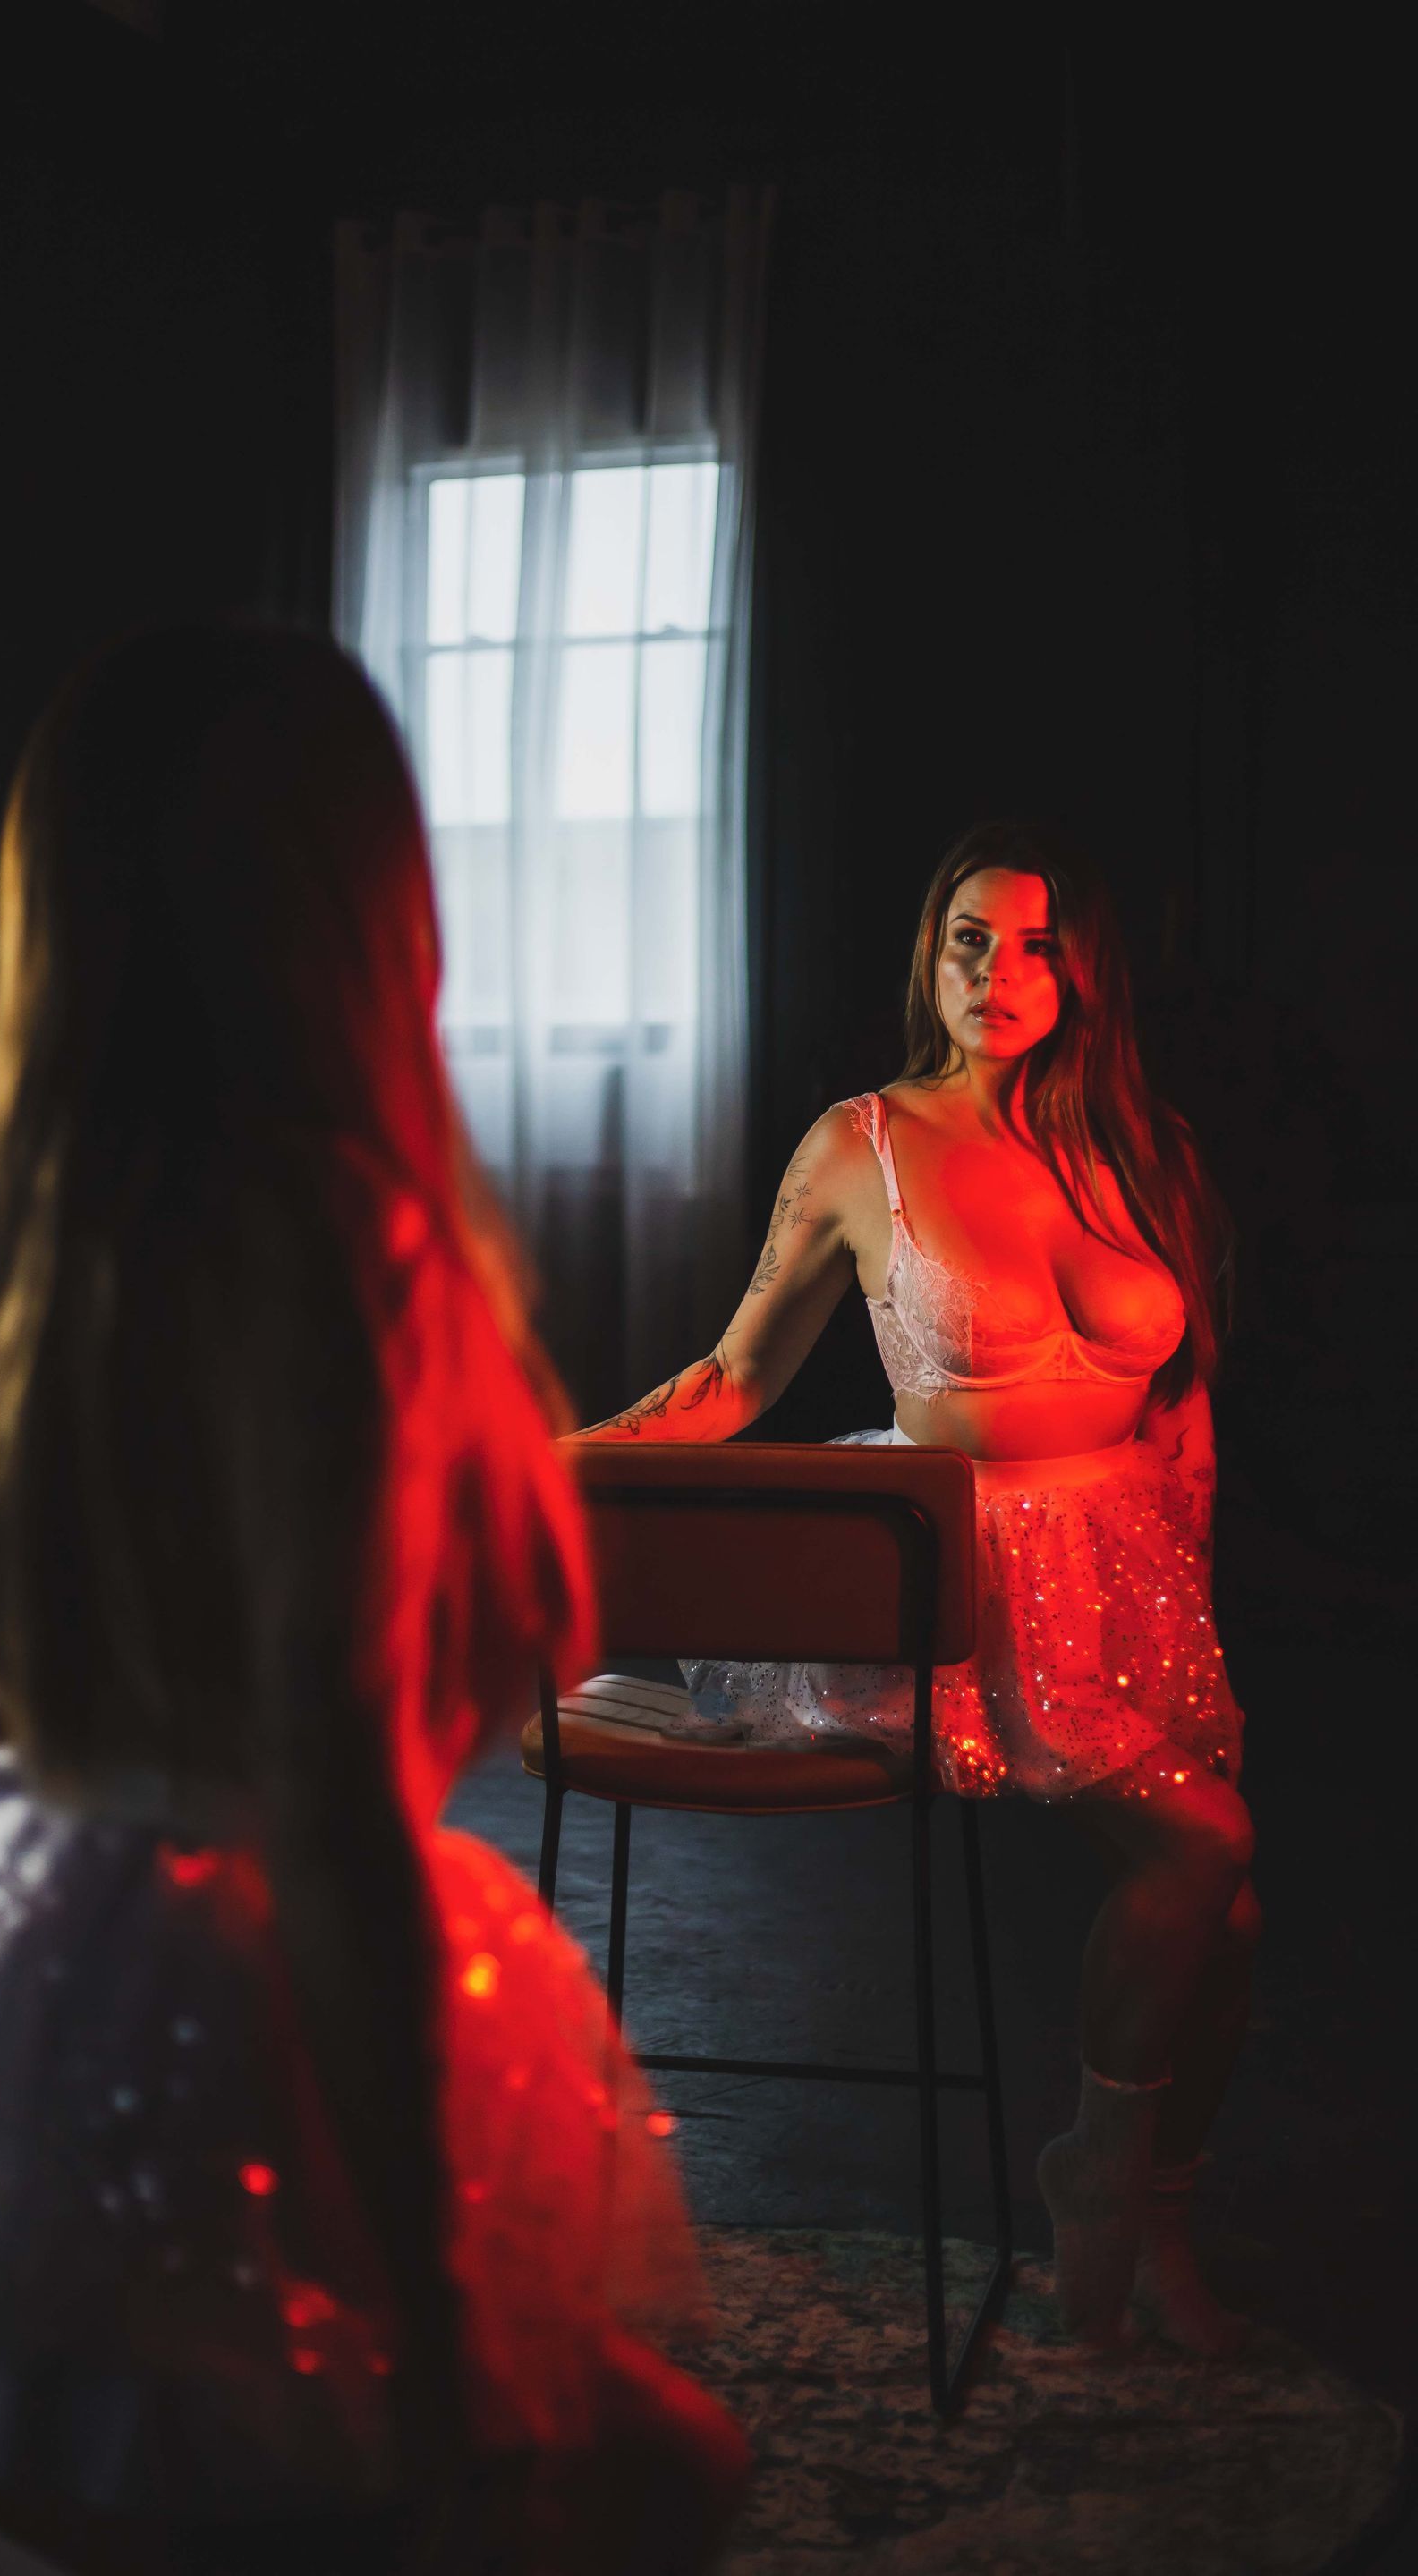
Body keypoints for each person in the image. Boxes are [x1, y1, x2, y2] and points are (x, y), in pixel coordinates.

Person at [0, 623, 747, 2569]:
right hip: (255, 2017)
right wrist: (435, 2330)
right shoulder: (339, 1246)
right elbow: (336, 1809)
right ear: (359, 909)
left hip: (13, 1996)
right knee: (637, 2485)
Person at [582, 823, 1254, 2358]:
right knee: (1203, 1846)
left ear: (1080, 976)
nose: (998, 973)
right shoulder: (862, 1143)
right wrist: (547, 1452)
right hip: (953, 1563)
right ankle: (1094, 2176)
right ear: (931, 953)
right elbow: (733, 1380)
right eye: (971, 938)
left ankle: (1155, 2219)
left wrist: (1196, 1628)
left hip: (1130, 1570)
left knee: (1232, 1909)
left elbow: (1182, 1416)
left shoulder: (1144, 1148)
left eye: (1034, 946)